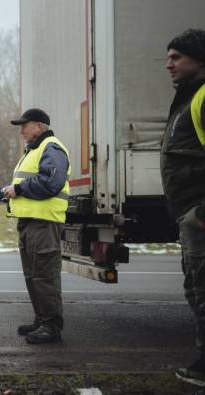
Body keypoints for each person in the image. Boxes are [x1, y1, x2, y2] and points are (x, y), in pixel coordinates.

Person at [0, 108, 70, 344]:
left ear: (39, 126)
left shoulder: (52, 148)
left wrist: (18, 190)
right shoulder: (34, 151)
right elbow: (18, 184)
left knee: (44, 276)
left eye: (24, 126)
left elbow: (52, 181)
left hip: (44, 223)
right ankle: (41, 320)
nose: (21, 132)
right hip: (29, 224)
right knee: (32, 276)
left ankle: (52, 326)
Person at [160, 29, 205, 386]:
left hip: (199, 214)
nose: (168, 64)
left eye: (176, 57)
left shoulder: (203, 97)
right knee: (196, 288)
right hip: (189, 214)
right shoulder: (188, 98)